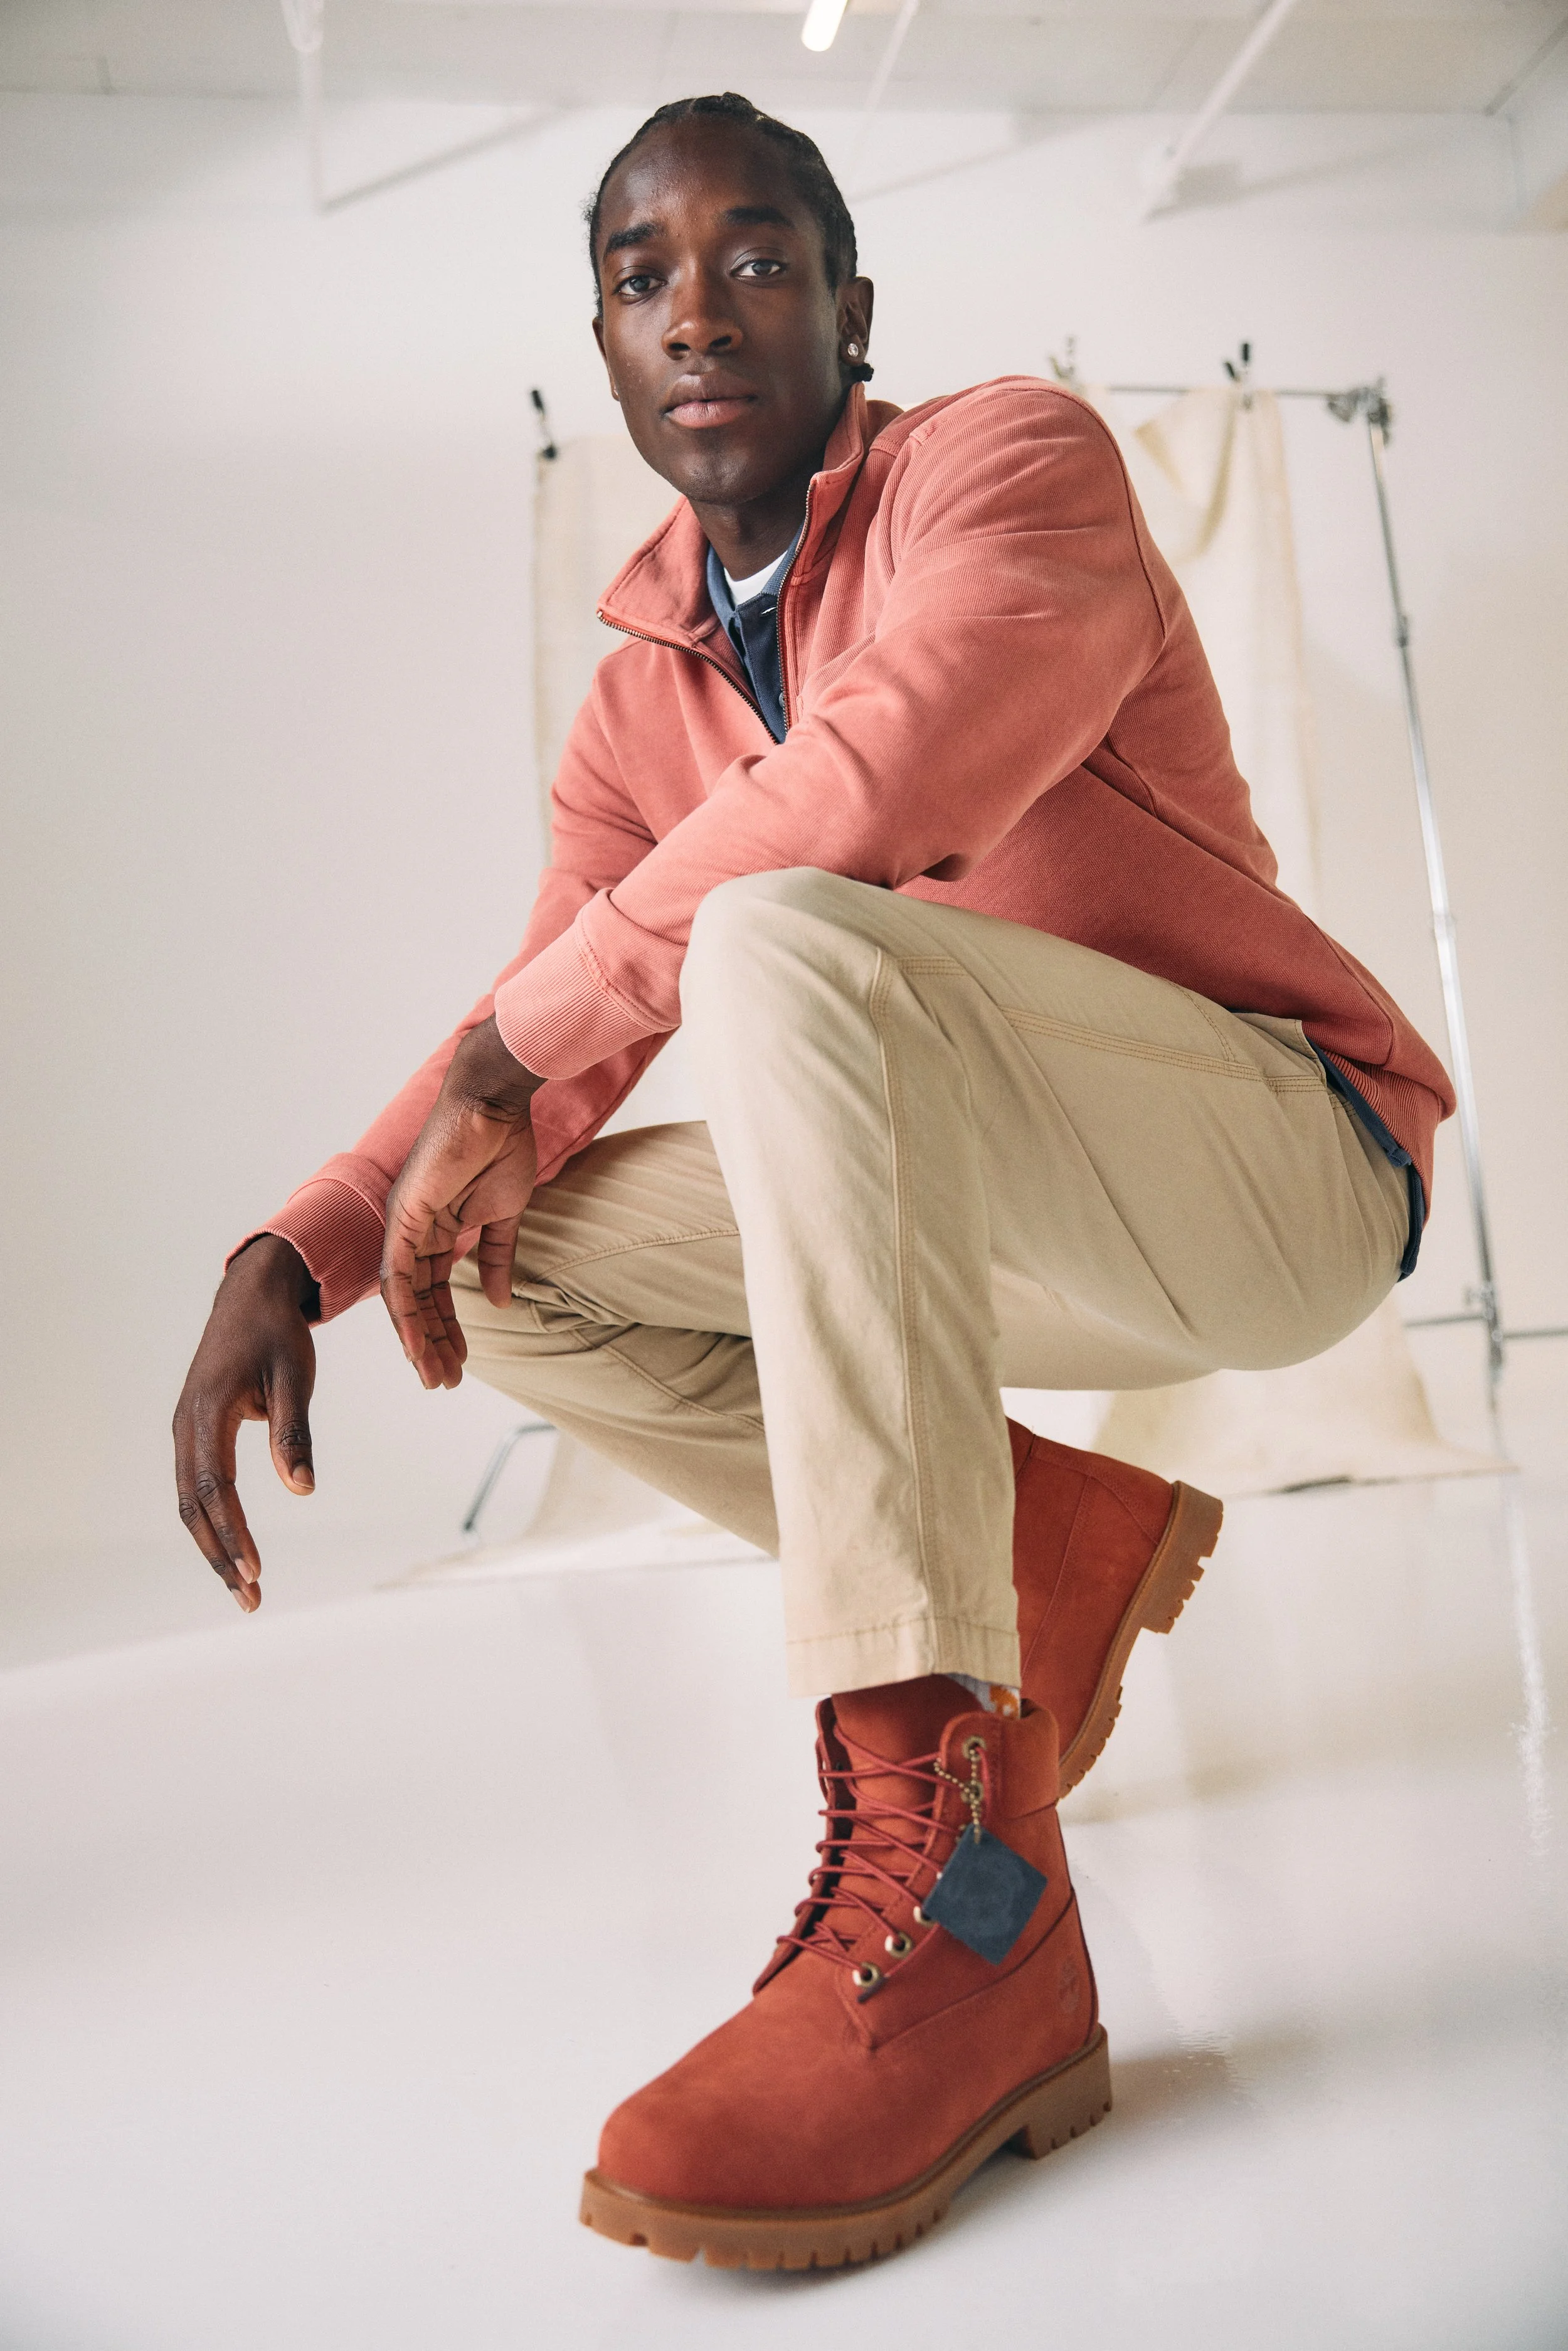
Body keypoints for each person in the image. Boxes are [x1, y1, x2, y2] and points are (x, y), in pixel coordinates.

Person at [173, 92, 1453, 2268]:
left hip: (1267, 1159)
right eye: (640, 276)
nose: (699, 313)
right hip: (993, 1224)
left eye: (755, 258)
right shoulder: (640, 696)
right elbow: (530, 1029)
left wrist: (525, 1042)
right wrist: (302, 1244)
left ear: (853, 303)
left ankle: (965, 1896)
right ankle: (1040, 1550)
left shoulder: (1010, 467)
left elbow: (898, 766)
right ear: (598, 343)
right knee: (501, 1248)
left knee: (774, 929)